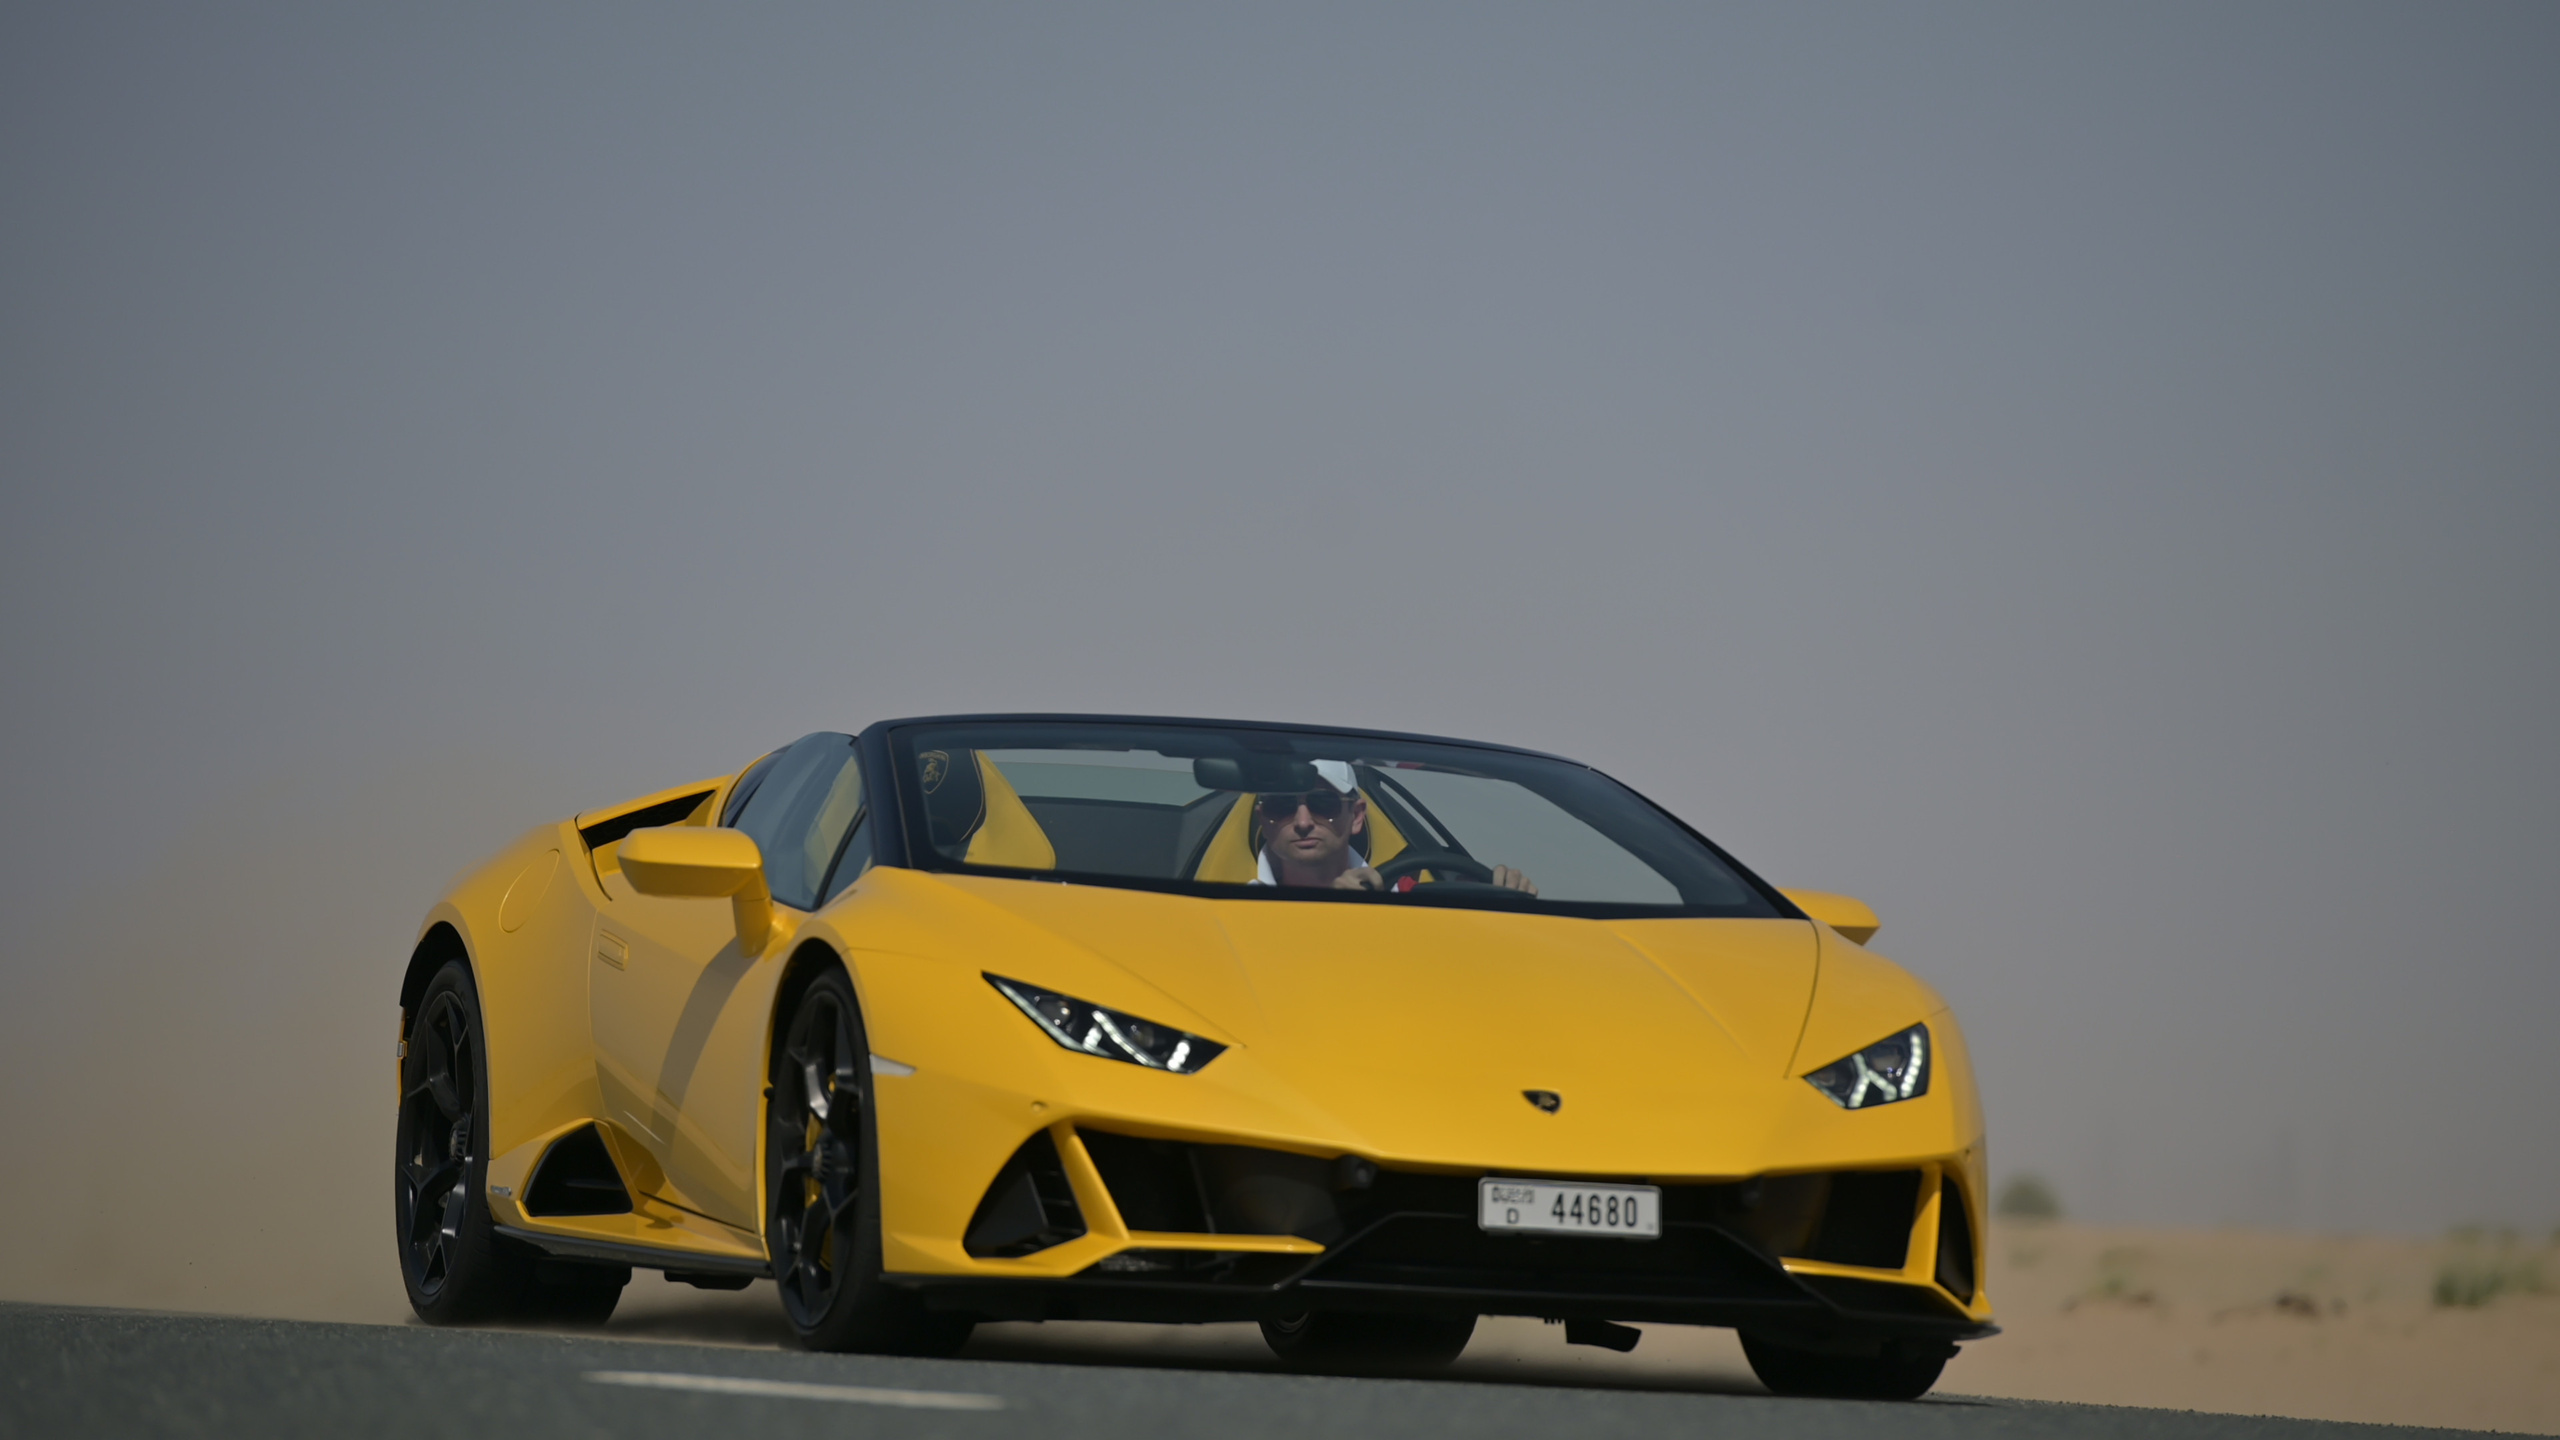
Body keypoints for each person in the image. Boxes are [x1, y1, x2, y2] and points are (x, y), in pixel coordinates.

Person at [1252, 760, 1536, 894]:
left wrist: (1511, 904)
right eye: (1283, 807)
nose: (1303, 822)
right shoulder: (1232, 909)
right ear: (1264, 819)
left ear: (1357, 816)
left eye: (1323, 804)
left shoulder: (1410, 893)